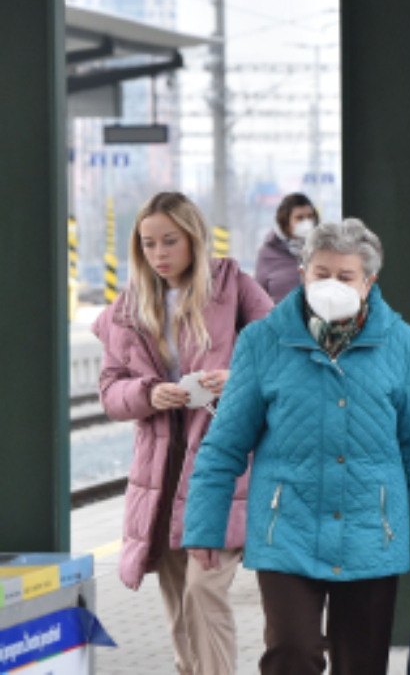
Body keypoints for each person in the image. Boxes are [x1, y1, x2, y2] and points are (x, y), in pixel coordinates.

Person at [183, 219, 410, 674]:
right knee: (292, 651)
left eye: (345, 277)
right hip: (286, 529)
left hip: (373, 529)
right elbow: (224, 445)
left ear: (368, 283)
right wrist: (204, 527)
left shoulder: (402, 345)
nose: (331, 284)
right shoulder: (262, 341)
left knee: (362, 663)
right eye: (320, 272)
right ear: (303, 272)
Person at [94, 192, 273, 675]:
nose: (159, 254)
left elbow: (283, 353)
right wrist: (148, 395)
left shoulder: (233, 286)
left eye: (169, 241)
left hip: (223, 462)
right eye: (148, 244)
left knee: (202, 587)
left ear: (194, 237)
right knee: (176, 603)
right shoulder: (128, 305)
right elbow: (110, 390)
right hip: (163, 468)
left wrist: (237, 378)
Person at [255, 193, 318, 302]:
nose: (306, 222)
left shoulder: (321, 249)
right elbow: (258, 296)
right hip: (280, 317)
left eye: (310, 216)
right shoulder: (268, 253)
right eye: (299, 218)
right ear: (285, 221)